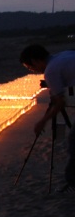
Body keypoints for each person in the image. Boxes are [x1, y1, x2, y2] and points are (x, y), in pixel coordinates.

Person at [21, 44, 75, 192]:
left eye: (30, 68)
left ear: (35, 60)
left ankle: (72, 183)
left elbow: (60, 102)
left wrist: (42, 122)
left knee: (73, 143)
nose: (33, 71)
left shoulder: (51, 70)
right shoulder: (64, 54)